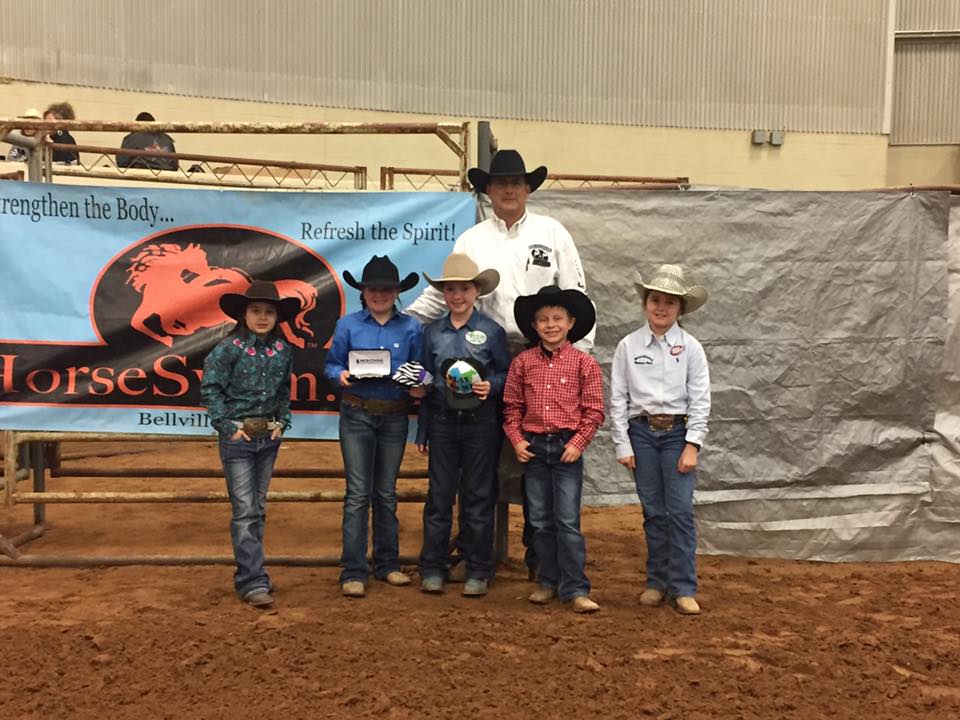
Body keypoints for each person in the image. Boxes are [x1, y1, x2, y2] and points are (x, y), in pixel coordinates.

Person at [406, 148, 593, 579]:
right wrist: (401, 324)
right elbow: (445, 294)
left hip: (542, 350)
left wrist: (575, 358)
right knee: (485, 454)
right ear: (488, 190)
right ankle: (479, 551)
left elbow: (576, 294)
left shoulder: (553, 232)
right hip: (482, 353)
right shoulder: (472, 240)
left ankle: (538, 555)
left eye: (517, 183)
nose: (509, 189)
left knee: (540, 451)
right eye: (500, 183)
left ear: (528, 188)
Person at [609, 264, 711, 616]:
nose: (661, 307)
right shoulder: (628, 346)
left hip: (677, 435)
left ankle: (683, 586)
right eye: (655, 299)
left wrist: (693, 444)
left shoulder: (692, 348)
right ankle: (656, 581)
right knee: (654, 512)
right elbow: (618, 399)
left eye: (670, 302)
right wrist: (623, 444)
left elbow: (700, 399)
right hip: (641, 434)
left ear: (680, 309)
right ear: (645, 303)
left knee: (680, 512)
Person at [324, 255, 425, 598]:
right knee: (357, 494)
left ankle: (387, 563)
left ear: (397, 292)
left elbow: (421, 370)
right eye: (373, 289)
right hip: (357, 412)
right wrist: (339, 375)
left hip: (395, 414)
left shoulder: (412, 327)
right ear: (363, 293)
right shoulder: (347, 325)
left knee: (386, 492)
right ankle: (353, 569)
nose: (379, 294)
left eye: (386, 289)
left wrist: (419, 383)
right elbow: (331, 364)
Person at [502, 285, 605, 613]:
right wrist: (517, 439)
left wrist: (578, 442)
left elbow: (594, 410)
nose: (550, 325)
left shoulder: (584, 364)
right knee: (541, 520)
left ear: (571, 322)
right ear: (534, 326)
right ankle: (547, 580)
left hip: (565, 449)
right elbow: (511, 407)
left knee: (567, 520)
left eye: (557, 318)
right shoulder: (522, 363)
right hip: (534, 449)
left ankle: (575, 587)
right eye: (543, 319)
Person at [200, 281, 301, 609]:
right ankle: (252, 580)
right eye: (256, 311)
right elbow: (210, 387)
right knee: (245, 510)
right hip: (240, 437)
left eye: (269, 312)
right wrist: (228, 426)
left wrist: (282, 421)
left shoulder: (283, 350)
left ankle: (252, 575)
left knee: (255, 507)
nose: (262, 317)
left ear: (276, 317)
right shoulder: (228, 348)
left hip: (266, 437)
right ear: (244, 314)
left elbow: (284, 390)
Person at [414, 254, 510, 597]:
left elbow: (505, 373)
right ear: (443, 294)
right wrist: (423, 427)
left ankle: (478, 568)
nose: (457, 296)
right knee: (439, 496)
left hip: (480, 424)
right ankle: (433, 566)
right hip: (441, 421)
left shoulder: (492, 332)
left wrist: (492, 386)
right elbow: (424, 379)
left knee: (478, 496)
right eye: (451, 289)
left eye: (464, 289)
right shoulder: (431, 334)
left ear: (476, 292)